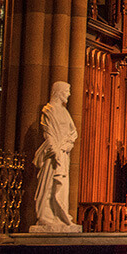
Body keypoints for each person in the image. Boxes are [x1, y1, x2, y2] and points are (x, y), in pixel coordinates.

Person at [33, 82, 78, 228]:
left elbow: (73, 132)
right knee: (49, 184)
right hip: (53, 155)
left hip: (63, 153)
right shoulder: (49, 110)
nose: (69, 94)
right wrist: (55, 150)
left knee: (62, 187)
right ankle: (46, 216)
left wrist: (68, 144)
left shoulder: (65, 112)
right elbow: (49, 133)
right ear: (59, 92)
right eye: (67, 91)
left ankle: (60, 215)